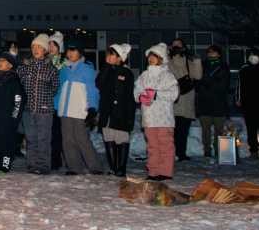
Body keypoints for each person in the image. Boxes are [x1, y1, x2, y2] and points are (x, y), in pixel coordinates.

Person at [56, 41, 103, 175]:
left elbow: (93, 90)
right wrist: (55, 105)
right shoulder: (64, 69)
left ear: (80, 53)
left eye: (74, 50)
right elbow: (59, 90)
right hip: (65, 109)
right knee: (67, 140)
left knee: (82, 138)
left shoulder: (87, 69)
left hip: (80, 109)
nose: (70, 53)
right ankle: (74, 167)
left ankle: (95, 166)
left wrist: (92, 108)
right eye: (69, 51)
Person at [15, 33, 59, 174]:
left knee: (43, 139)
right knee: (31, 138)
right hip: (28, 109)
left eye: (39, 47)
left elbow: (54, 88)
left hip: (44, 110)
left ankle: (44, 166)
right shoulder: (25, 67)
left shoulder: (51, 69)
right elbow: (17, 80)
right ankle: (32, 165)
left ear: (45, 50)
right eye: (34, 46)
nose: (36, 49)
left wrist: (44, 100)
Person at [136, 43, 180, 181]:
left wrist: (156, 95)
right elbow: (136, 90)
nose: (151, 59)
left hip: (164, 118)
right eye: (150, 56)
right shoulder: (144, 75)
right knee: (152, 146)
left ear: (162, 58)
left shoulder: (168, 76)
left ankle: (165, 171)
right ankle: (153, 171)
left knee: (165, 145)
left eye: (154, 56)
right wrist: (140, 96)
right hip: (149, 117)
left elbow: (174, 94)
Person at [97, 43, 136, 177]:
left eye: (112, 54)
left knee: (121, 139)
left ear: (120, 58)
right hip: (107, 112)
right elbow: (99, 83)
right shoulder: (105, 70)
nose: (109, 57)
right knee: (109, 138)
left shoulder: (127, 73)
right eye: (108, 54)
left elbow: (129, 96)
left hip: (121, 113)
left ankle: (121, 168)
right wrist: (107, 67)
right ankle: (113, 167)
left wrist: (130, 116)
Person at [167, 38, 202, 162]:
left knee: (183, 129)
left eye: (179, 46)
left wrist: (196, 60)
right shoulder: (167, 60)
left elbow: (197, 76)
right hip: (173, 98)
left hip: (186, 97)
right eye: (174, 45)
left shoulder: (188, 60)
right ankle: (172, 153)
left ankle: (181, 153)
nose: (176, 48)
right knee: (172, 130)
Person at [196, 45, 230, 160]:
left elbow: (224, 84)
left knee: (219, 130)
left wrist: (208, 83)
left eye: (214, 53)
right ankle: (207, 150)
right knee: (205, 130)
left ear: (219, 54)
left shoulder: (223, 66)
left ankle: (218, 150)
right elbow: (198, 81)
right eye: (209, 52)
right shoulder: (202, 65)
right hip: (204, 103)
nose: (211, 54)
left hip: (218, 103)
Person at [236, 48, 259, 159]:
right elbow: (239, 85)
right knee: (251, 128)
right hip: (249, 103)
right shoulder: (244, 69)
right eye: (251, 55)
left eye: (255, 55)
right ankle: (253, 150)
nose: (252, 57)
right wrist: (238, 98)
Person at [47, 31, 65, 169]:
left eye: (55, 45)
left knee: (57, 133)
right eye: (50, 44)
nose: (51, 47)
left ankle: (56, 159)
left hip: (60, 102)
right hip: (46, 102)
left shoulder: (63, 62)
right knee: (48, 133)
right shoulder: (45, 60)